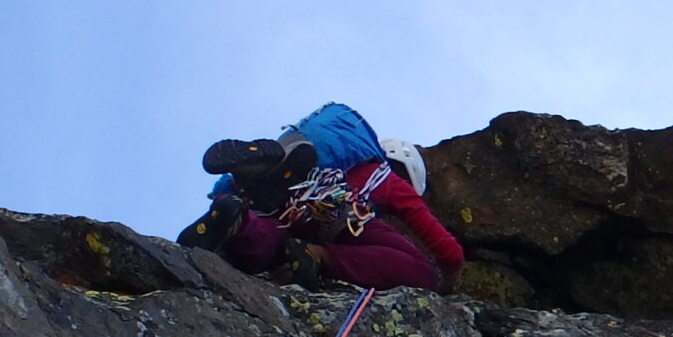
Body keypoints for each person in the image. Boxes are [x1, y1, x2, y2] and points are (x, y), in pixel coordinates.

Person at [179, 103, 465, 292]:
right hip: (332, 214)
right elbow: (448, 252)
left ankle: (237, 218)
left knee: (264, 243)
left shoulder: (334, 160)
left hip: (290, 210)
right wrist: (447, 282)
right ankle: (317, 255)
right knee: (421, 272)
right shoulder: (386, 178)